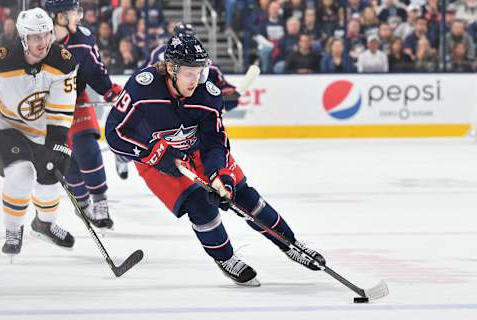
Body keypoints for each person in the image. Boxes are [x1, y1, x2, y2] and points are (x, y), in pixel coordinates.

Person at [105, 33, 326, 286]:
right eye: (189, 73)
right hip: (153, 159)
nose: (196, 79)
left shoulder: (208, 94)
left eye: (199, 71)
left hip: (198, 150)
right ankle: (225, 258)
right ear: (170, 69)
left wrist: (220, 177)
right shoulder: (142, 88)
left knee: (244, 197)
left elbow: (215, 142)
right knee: (200, 207)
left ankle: (291, 243)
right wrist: (153, 153)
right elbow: (114, 134)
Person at [114, 22, 240, 180]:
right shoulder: (161, 53)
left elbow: (219, 84)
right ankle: (124, 157)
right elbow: (146, 75)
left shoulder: (200, 57)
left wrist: (229, 94)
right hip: (163, 106)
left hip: (187, 107)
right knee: (146, 141)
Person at [0, 8, 77, 255]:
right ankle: (13, 228)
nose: (43, 42)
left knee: (54, 171)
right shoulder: (1, 61)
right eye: (35, 37)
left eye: (46, 35)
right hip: (6, 127)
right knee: (21, 173)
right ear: (23, 39)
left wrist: (57, 142)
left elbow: (60, 108)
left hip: (42, 129)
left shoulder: (62, 62)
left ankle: (45, 223)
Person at [45, 0, 122, 229]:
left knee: (86, 147)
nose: (79, 16)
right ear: (59, 16)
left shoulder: (82, 40)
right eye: (73, 12)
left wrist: (109, 90)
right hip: (47, 109)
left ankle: (100, 201)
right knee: (66, 159)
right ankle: (82, 202)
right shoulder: (36, 38)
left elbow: (95, 72)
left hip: (76, 100)